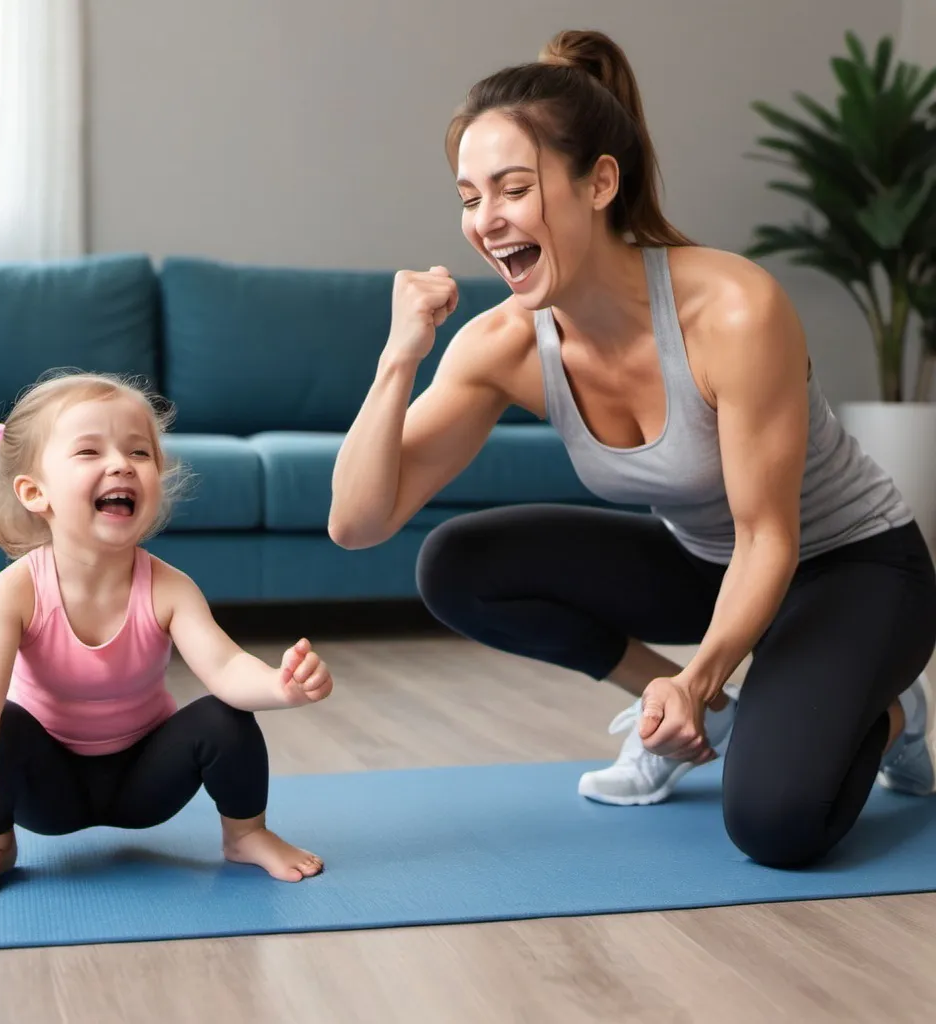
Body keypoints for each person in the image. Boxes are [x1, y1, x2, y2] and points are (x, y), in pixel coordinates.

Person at [329, 29, 936, 868]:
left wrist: (700, 676)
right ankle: (700, 718)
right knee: (457, 563)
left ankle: (896, 706)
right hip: (710, 560)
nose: (486, 221)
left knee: (776, 824)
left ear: (600, 183)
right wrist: (398, 356)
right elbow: (357, 524)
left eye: (512, 188)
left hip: (853, 567)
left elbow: (771, 535)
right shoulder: (501, 344)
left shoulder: (731, 310)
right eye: (470, 197)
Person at [0, 371, 331, 898]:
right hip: (48, 791)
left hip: (145, 786)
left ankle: (245, 834)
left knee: (224, 717)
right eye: (90, 452)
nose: (121, 463)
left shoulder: (169, 587)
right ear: (34, 492)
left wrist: (281, 686)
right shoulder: (14, 591)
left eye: (139, 452)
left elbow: (227, 667)